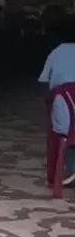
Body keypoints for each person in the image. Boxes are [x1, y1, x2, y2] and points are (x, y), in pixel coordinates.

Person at [39, 16, 75, 185]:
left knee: (65, 130)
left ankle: (68, 169)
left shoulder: (56, 52)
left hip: (65, 117)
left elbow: (44, 82)